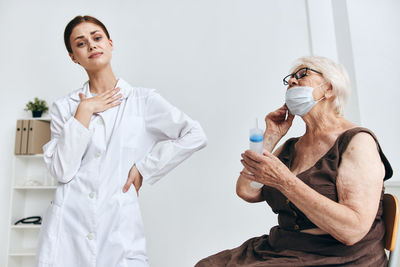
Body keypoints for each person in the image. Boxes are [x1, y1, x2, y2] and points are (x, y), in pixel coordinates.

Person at [35, 15, 207, 267]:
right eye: (81, 43)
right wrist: (84, 112)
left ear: (110, 43)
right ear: (73, 56)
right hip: (68, 227)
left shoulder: (143, 101)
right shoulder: (65, 108)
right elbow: (62, 171)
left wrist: (144, 168)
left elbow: (194, 134)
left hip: (118, 224)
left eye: (97, 38)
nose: (92, 45)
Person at [196, 56, 393, 266]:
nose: (291, 81)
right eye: (290, 78)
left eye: (302, 74)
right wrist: (271, 136)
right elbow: (247, 190)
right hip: (285, 248)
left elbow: (351, 231)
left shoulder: (357, 142)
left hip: (338, 256)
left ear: (329, 89)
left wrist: (285, 181)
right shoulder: (292, 147)